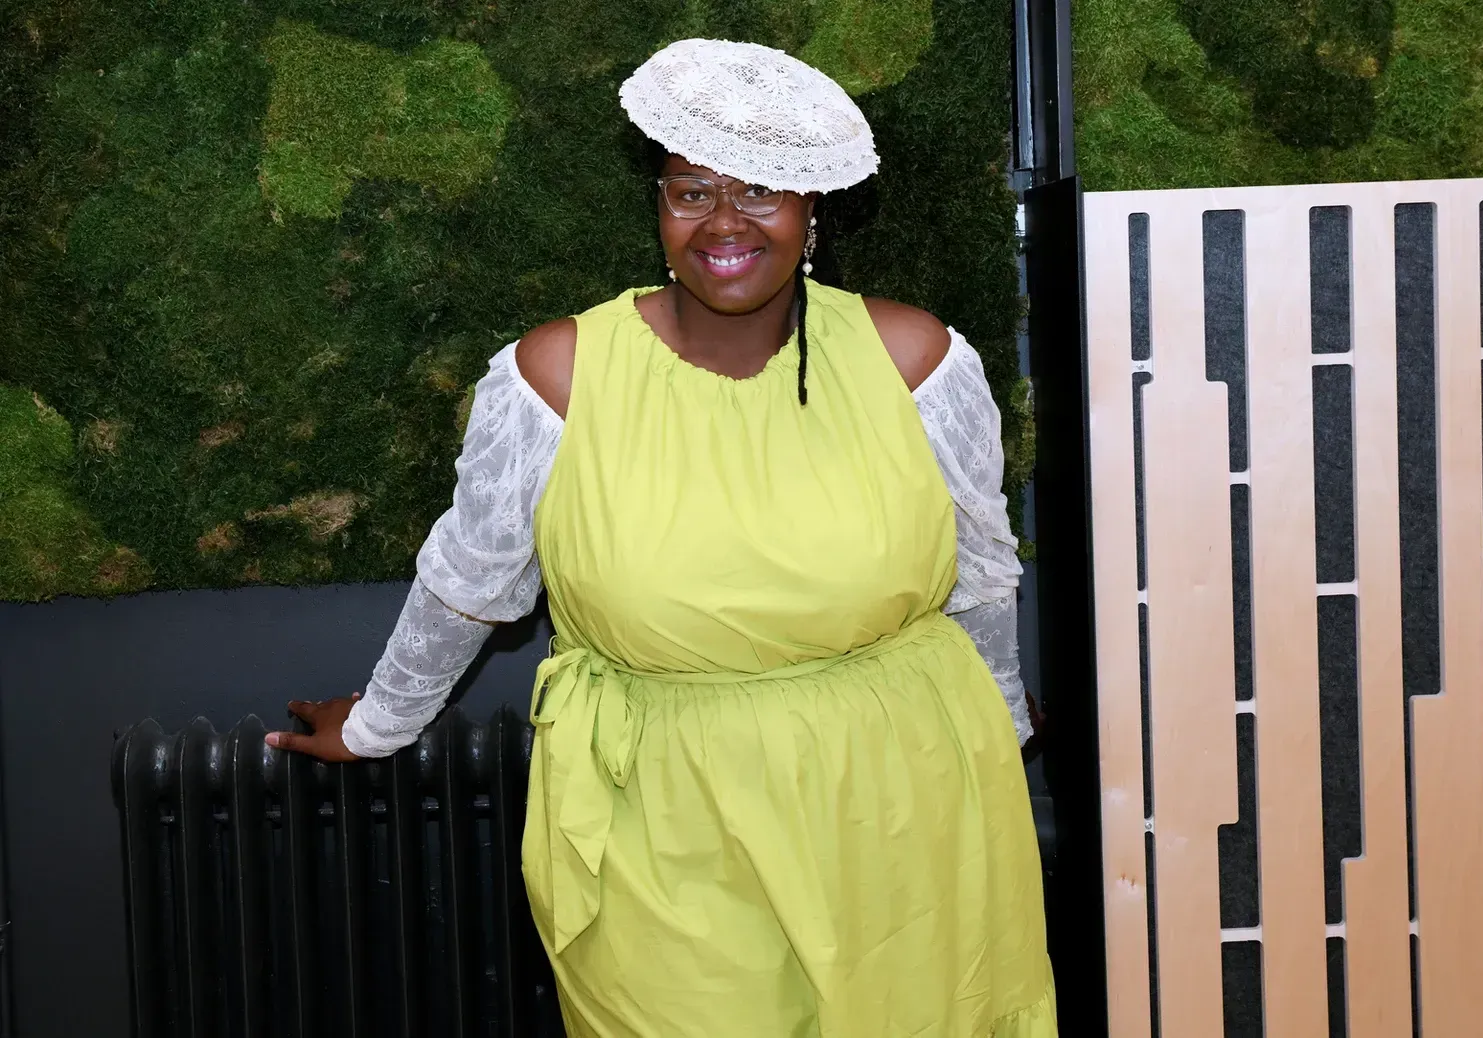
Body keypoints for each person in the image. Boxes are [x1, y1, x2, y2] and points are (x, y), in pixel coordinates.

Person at [267, 37, 1057, 1037]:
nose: (724, 222)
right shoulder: (556, 376)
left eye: (760, 190)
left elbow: (979, 569)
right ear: (659, 207)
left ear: (810, 209)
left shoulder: (917, 362)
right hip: (660, 816)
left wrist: (1000, 716)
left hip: (897, 801)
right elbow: (471, 576)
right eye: (692, 192)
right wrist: (379, 723)